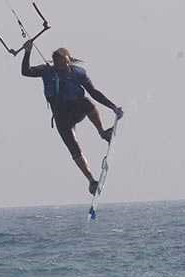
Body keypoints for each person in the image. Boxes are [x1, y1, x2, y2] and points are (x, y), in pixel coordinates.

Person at [21, 40, 123, 195]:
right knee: (74, 149)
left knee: (86, 102)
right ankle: (91, 181)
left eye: (64, 64)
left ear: (69, 61)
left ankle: (103, 133)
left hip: (76, 110)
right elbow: (26, 71)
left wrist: (113, 107)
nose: (61, 67)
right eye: (58, 64)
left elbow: (94, 92)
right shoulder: (47, 71)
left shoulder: (78, 73)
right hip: (61, 117)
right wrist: (27, 51)